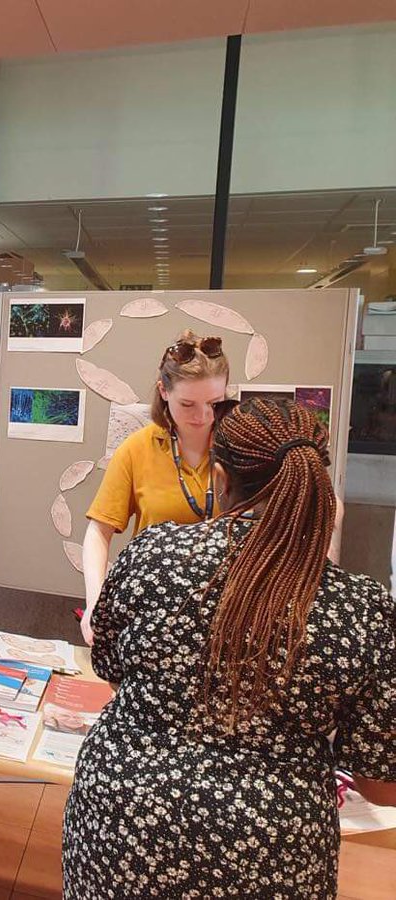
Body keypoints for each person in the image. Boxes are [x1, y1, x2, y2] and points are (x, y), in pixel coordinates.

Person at [63, 398, 396, 899]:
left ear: (219, 479)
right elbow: (379, 780)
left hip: (121, 822)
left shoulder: (154, 556)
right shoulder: (359, 607)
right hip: (272, 854)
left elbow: (109, 662)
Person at [79, 331, 231, 644]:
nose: (202, 417)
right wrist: (96, 602)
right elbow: (98, 532)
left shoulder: (242, 448)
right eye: (187, 404)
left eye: (214, 403)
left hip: (226, 615)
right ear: (163, 391)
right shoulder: (138, 449)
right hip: (152, 617)